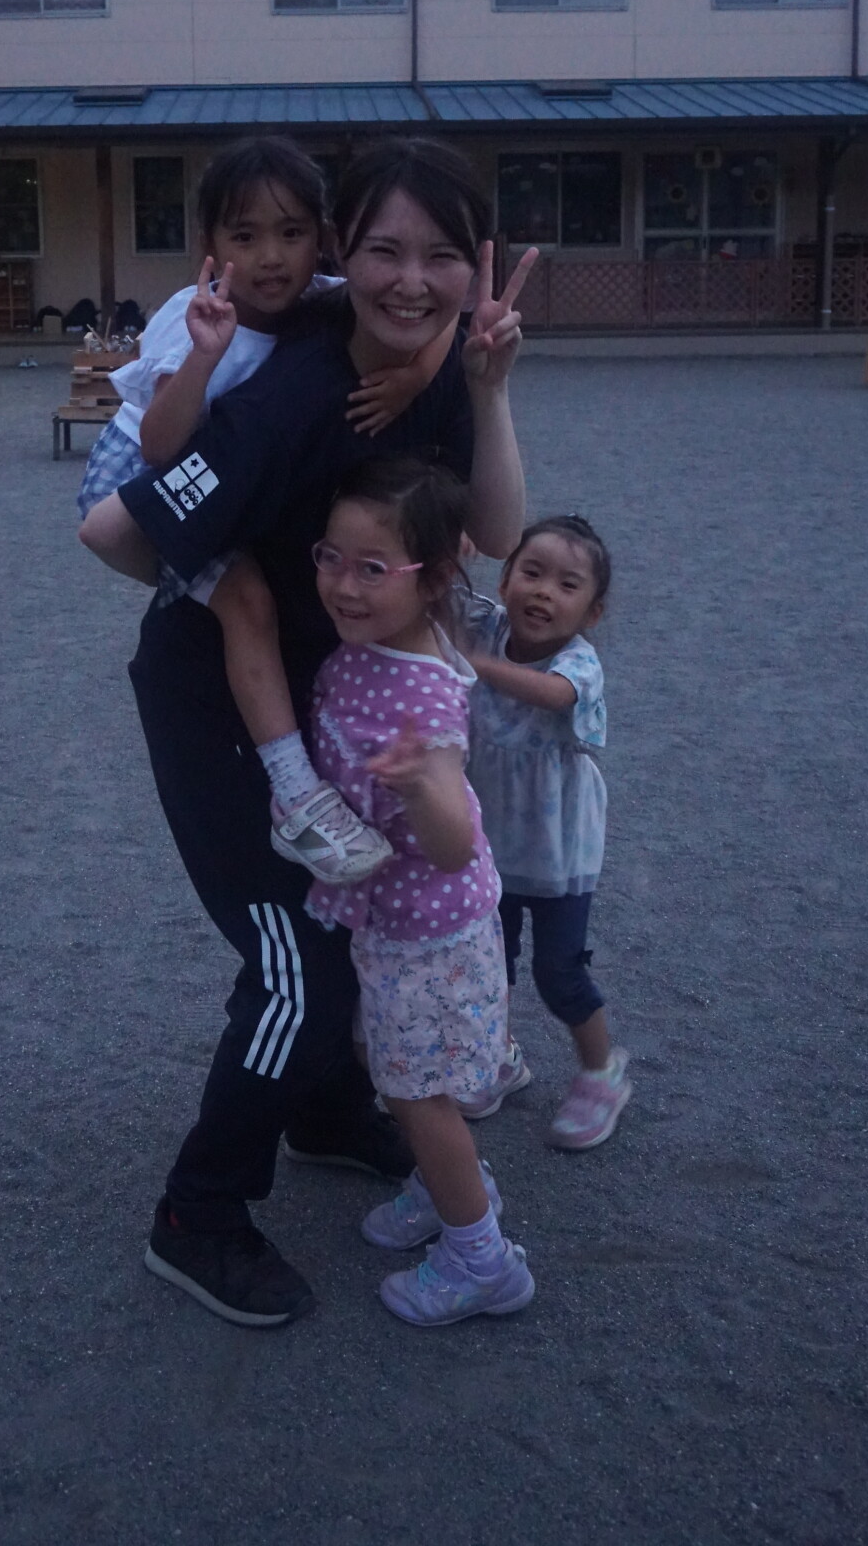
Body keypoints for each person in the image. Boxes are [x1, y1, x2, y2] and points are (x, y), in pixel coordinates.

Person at [79, 137, 535, 1327]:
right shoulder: (284, 395)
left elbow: (493, 532)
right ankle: (199, 1214)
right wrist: (225, 588)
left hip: (328, 696)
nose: (411, 280)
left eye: (441, 255)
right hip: (217, 701)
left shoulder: (444, 355)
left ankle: (325, 1108)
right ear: (346, 251)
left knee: (351, 918)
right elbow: (118, 530)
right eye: (384, 250)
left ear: (475, 261)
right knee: (299, 959)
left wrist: (480, 382)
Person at [79, 136, 449, 879]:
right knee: (246, 601)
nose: (272, 257)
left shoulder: (325, 299)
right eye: (244, 237)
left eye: (291, 233)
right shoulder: (194, 316)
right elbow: (158, 447)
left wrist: (413, 378)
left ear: (324, 237)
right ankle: (297, 795)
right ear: (211, 244)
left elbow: (436, 320)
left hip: (216, 486)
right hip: (137, 480)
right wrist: (205, 356)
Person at [305, 456, 536, 1326]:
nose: (344, 585)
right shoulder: (391, 637)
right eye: (331, 558)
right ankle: (449, 1186)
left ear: (431, 579)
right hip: (392, 922)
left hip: (429, 931)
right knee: (392, 1067)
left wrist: (417, 787)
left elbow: (452, 845)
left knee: (416, 1091)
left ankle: (482, 1259)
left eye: (373, 568)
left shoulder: (423, 702)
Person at [453, 515, 632, 1149]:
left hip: (559, 851)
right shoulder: (485, 625)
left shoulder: (578, 663)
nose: (543, 592)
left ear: (592, 611)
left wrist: (474, 665)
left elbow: (553, 696)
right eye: (531, 572)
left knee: (560, 972)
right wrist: (451, 545)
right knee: (487, 967)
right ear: (504, 580)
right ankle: (497, 1058)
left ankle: (602, 1072)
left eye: (567, 584)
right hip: (488, 844)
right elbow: (436, 596)